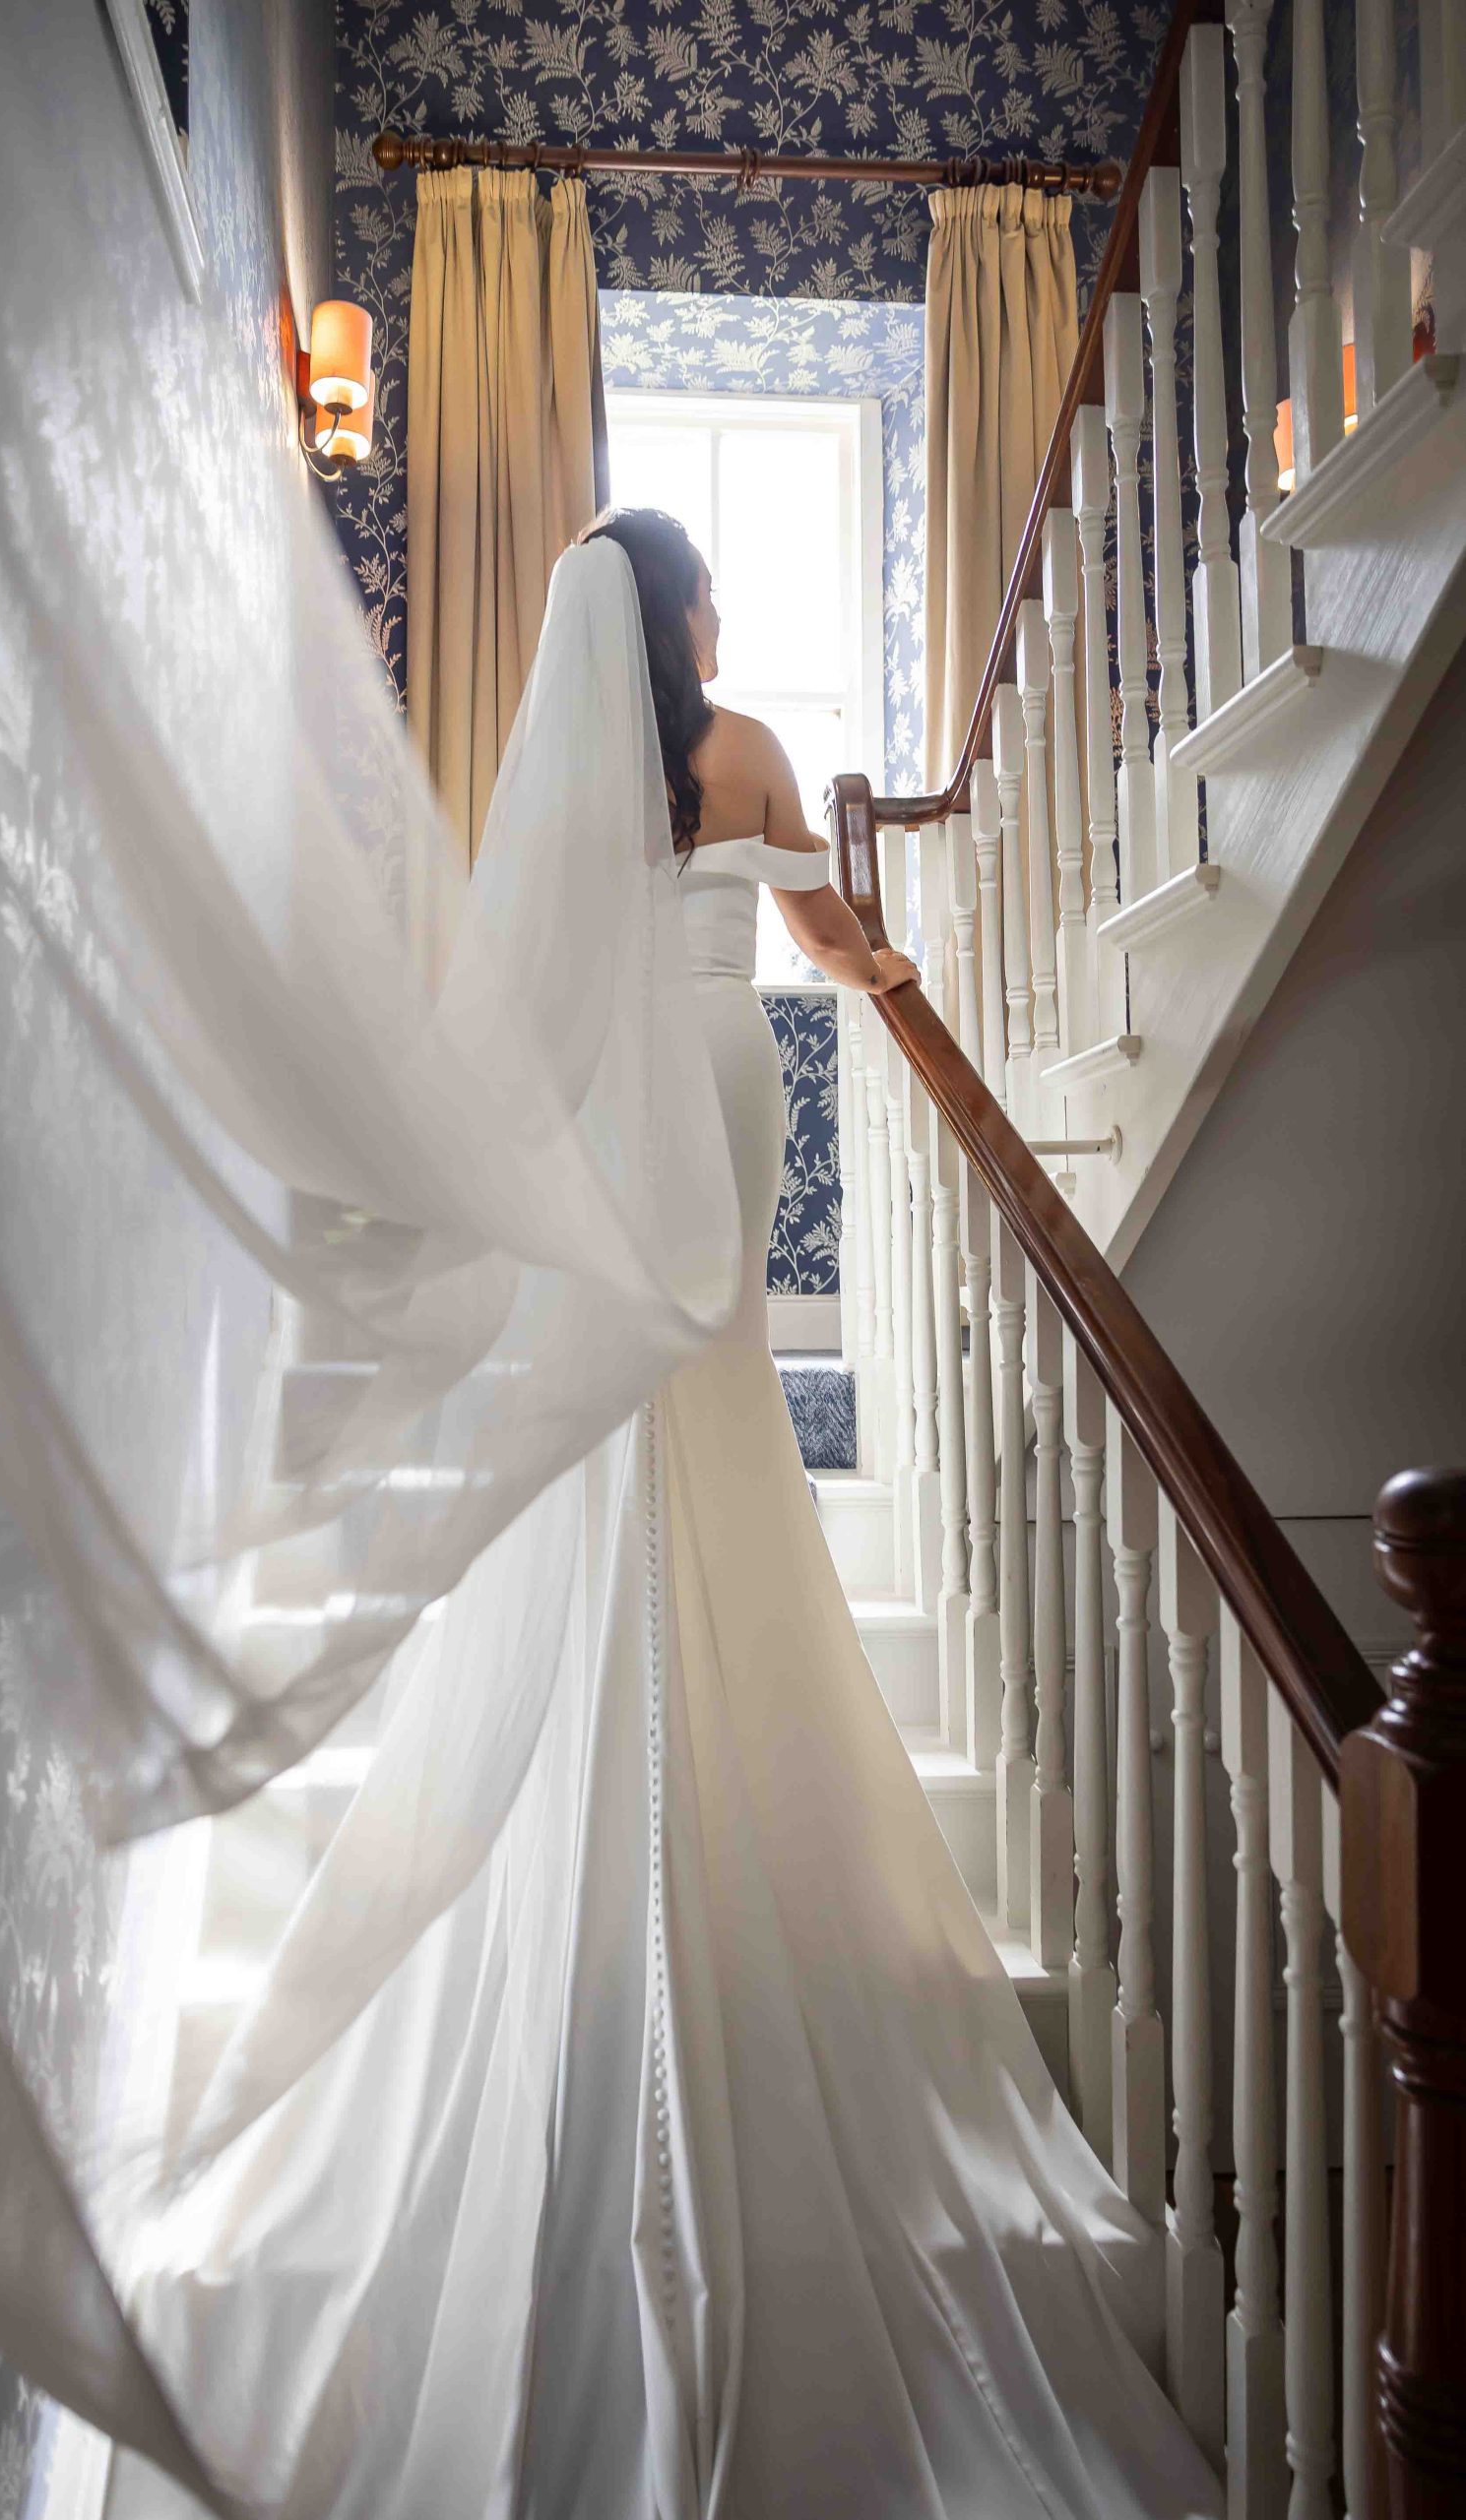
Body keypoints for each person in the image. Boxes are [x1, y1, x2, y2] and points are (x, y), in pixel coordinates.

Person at [121, 517, 1221, 2520]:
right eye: (708, 592)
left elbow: (520, 993)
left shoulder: (570, 780)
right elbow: (823, 934)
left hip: (604, 1117)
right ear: (690, 612)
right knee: (707, 1391)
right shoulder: (745, 752)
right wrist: (888, 970)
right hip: (718, 1089)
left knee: (615, 1399)